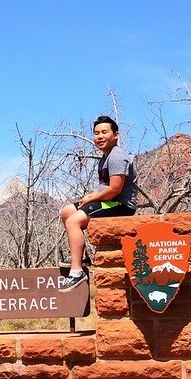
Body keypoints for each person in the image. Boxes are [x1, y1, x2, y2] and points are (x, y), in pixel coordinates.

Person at [58, 115, 138, 292]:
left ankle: (76, 271)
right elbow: (105, 188)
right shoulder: (105, 157)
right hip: (107, 201)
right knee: (66, 212)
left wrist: (91, 198)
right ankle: (84, 257)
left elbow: (115, 189)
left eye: (104, 132)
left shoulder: (117, 156)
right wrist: (91, 196)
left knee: (73, 221)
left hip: (119, 205)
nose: (99, 136)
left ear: (116, 135)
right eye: (96, 133)